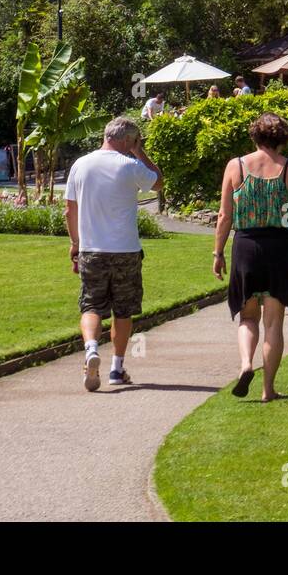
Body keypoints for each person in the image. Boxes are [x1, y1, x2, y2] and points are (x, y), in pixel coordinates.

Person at [213, 113, 288, 402]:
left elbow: (224, 216)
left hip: (245, 246)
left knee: (247, 317)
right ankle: (268, 389)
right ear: (283, 138)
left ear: (255, 136)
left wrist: (218, 252)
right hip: (280, 248)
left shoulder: (236, 166)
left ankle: (246, 363)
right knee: (273, 323)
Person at [65, 116, 163, 391]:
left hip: (91, 249)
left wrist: (75, 243)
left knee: (91, 305)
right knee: (123, 310)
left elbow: (70, 210)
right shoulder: (131, 166)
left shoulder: (80, 165)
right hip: (126, 250)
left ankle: (91, 349)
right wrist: (139, 151)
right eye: (133, 141)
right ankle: (117, 369)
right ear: (128, 141)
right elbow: (158, 183)